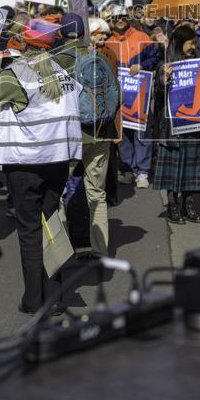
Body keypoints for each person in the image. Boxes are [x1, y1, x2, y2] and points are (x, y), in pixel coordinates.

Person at [0, 18, 82, 316]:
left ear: (24, 43)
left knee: (30, 230)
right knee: (52, 224)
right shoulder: (63, 70)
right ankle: (55, 295)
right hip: (57, 160)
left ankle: (35, 298)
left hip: (26, 162)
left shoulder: (18, 73)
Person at [54, 13, 120, 256]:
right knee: (97, 194)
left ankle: (61, 251)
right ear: (83, 33)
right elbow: (116, 94)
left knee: (58, 193)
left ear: (61, 33)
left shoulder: (57, 61)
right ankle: (100, 249)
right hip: (101, 132)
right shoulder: (96, 56)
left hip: (71, 136)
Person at [150, 25, 200, 224]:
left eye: (195, 43)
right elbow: (157, 98)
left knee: (190, 170)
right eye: (190, 43)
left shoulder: (199, 64)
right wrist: (163, 79)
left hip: (193, 126)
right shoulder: (165, 65)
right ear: (179, 43)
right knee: (174, 171)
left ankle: (188, 205)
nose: (193, 47)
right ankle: (173, 206)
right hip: (172, 128)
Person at [106, 7, 160, 189]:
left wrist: (141, 65)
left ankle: (143, 171)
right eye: (116, 17)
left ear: (128, 18)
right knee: (123, 132)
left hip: (141, 94)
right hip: (119, 95)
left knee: (142, 131)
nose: (120, 20)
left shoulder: (142, 36)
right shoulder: (108, 41)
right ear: (112, 19)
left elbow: (155, 58)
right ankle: (128, 168)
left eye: (123, 17)